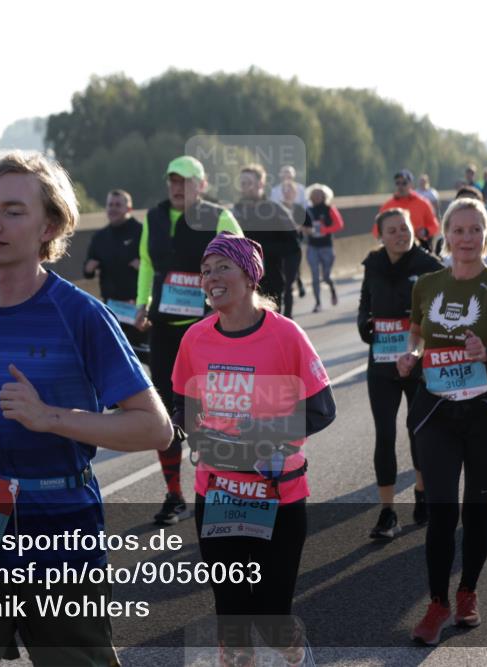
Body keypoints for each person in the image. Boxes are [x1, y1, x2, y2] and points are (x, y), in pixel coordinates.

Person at [0, 152, 172, 665]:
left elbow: (156, 428)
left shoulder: (81, 315)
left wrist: (50, 418)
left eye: (14, 211)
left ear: (50, 225)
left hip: (61, 522)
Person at [172, 232, 336, 666]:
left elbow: (322, 410)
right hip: (219, 492)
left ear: (249, 276)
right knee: (232, 618)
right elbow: (182, 406)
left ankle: (293, 650)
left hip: (278, 494)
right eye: (206, 271)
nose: (210, 278)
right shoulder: (195, 339)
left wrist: (263, 431)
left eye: (222, 267)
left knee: (270, 617)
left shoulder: (287, 336)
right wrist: (196, 432)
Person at [400, 197, 487, 645]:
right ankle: (436, 604)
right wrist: (412, 354)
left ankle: (467, 593)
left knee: (476, 513)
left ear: (486, 235)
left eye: (476, 230)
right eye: (459, 230)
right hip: (437, 412)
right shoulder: (428, 285)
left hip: (486, 417)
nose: (467, 238)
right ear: (445, 235)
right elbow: (417, 333)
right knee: (441, 512)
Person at [134, 156, 243, 525]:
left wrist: (228, 308)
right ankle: (174, 495)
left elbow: (243, 265)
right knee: (165, 410)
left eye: (185, 182)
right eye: (172, 182)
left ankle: (222, 488)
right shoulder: (154, 217)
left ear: (202, 184)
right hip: (165, 327)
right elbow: (147, 262)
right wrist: (140, 303)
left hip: (207, 328)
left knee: (213, 411)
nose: (177, 188)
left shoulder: (220, 218)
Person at [358, 209, 443, 540]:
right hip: (381, 363)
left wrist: (420, 336)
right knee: (384, 434)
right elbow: (365, 305)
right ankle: (388, 512)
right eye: (392, 230)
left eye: (404, 229)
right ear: (380, 235)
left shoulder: (429, 265)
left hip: (418, 361)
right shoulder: (373, 265)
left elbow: (441, 311)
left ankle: (422, 493)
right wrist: (365, 325)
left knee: (417, 430)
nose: (399, 235)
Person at [83, 189, 148, 360]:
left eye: (118, 205)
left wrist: (144, 266)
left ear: (129, 209)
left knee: (143, 359)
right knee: (114, 359)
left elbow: (156, 267)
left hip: (138, 310)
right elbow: (88, 271)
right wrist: (89, 268)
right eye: (110, 205)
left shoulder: (141, 232)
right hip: (112, 309)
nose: (113, 209)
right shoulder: (100, 237)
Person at [232, 164, 301, 316]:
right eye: (242, 183)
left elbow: (293, 245)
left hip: (271, 281)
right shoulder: (234, 212)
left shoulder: (275, 211)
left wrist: (260, 250)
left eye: (248, 183)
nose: (244, 187)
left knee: (271, 330)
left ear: (260, 184)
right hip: (241, 283)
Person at [375, 170, 440, 252]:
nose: (400, 186)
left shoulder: (423, 203)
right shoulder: (387, 206)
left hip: (419, 247)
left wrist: (426, 231)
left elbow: (434, 226)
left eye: (404, 183)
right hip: (395, 248)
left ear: (411, 185)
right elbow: (376, 229)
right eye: (397, 183)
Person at [304, 183, 345, 313]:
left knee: (326, 276)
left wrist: (325, 230)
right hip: (312, 247)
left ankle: (332, 287)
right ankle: (318, 303)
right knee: (315, 276)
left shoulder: (329, 209)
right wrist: (307, 230)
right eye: (313, 194)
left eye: (318, 194)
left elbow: (339, 225)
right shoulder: (307, 211)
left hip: (326, 246)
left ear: (324, 196)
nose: (316, 197)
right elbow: (301, 227)